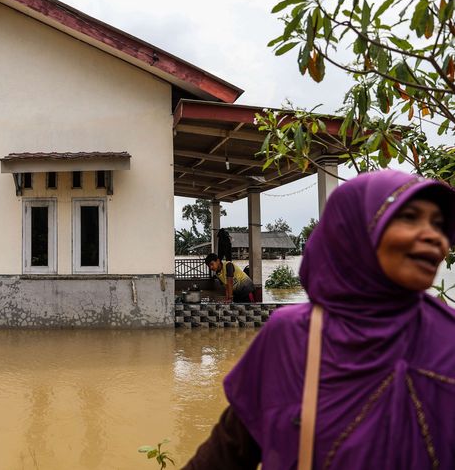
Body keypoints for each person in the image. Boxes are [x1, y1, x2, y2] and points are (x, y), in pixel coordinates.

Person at [184, 170, 455, 469]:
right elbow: (228, 453)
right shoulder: (292, 338)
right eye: (409, 217)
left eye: (439, 224)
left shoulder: (449, 338)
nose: (434, 237)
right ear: (354, 231)